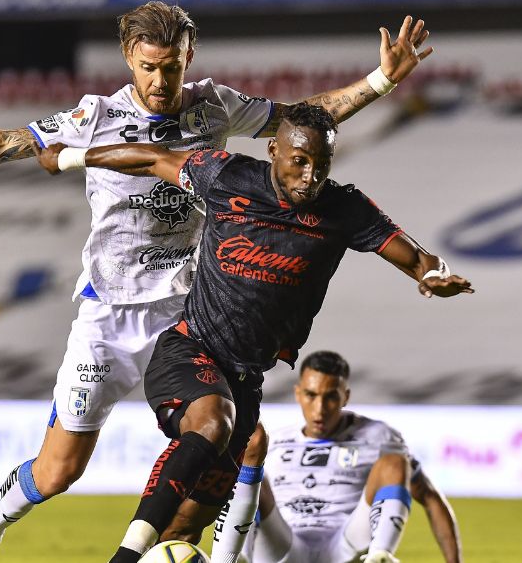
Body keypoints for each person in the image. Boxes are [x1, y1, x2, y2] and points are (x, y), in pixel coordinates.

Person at [0, 3, 433, 561]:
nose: (160, 80)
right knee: (59, 471)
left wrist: (381, 80)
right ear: (129, 57)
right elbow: (5, 143)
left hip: (193, 313)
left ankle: (150, 552)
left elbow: (302, 125)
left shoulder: (216, 107)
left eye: (172, 66)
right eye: (149, 67)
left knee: (225, 450)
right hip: (110, 312)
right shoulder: (95, 118)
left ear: (189, 55)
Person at [34, 101, 473, 563]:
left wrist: (432, 276)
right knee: (210, 422)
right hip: (189, 349)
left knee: (186, 526)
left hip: (246, 379)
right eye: (299, 161)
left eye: (321, 165)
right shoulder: (227, 177)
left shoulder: (344, 208)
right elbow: (150, 158)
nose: (310, 176)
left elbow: (420, 258)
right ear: (273, 151)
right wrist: (68, 157)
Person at [233, 351, 463, 563]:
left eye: (331, 396)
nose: (320, 408)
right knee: (250, 475)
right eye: (311, 395)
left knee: (394, 462)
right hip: (281, 545)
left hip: (345, 546)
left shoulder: (379, 436)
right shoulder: (274, 442)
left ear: (346, 397)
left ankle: (380, 556)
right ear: (298, 394)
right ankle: (236, 557)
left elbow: (431, 498)